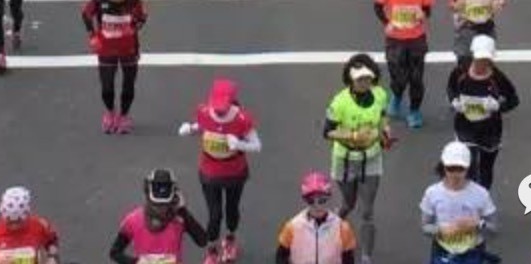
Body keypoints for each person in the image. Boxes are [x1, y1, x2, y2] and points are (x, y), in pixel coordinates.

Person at [177, 78, 262, 261]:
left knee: (232, 210)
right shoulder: (204, 112)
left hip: (234, 173)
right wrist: (190, 129)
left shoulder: (241, 119)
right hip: (210, 173)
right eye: (216, 107)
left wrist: (239, 144)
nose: (218, 111)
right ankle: (212, 249)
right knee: (214, 214)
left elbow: (256, 145)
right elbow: (202, 126)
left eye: (222, 108)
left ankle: (230, 239)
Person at [324, 54, 392, 264]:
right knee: (349, 203)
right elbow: (327, 132)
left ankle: (366, 257)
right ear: (351, 80)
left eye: (367, 78)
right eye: (360, 79)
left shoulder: (380, 94)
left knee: (367, 210)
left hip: (371, 158)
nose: (364, 82)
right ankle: (333, 224)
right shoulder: (340, 102)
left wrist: (385, 132)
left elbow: (382, 117)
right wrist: (353, 136)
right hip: (345, 159)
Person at [374, 0, 436, 130]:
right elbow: (378, 5)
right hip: (395, 38)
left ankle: (414, 110)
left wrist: (421, 15)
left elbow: (427, 8)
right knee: (398, 75)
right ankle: (397, 95)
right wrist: (388, 23)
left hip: (416, 37)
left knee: (416, 78)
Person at [446, 35, 520, 191]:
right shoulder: (460, 72)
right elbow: (451, 88)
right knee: (469, 166)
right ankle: (468, 201)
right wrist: (454, 101)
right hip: (465, 128)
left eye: (486, 59)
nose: (482, 63)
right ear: (473, 55)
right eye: (479, 59)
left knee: (486, 169)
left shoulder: (497, 78)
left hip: (490, 131)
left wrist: (498, 106)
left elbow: (514, 100)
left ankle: (482, 199)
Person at [83, 0, 148, 133]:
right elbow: (86, 14)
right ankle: (110, 113)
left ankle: (124, 116)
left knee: (128, 85)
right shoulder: (99, 1)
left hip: (129, 50)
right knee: (107, 86)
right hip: (106, 50)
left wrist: (132, 27)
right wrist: (93, 36)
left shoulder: (134, 1)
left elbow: (143, 17)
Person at [419, 140, 498, 264]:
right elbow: (425, 227)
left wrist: (477, 224)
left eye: (460, 169)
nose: (455, 174)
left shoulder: (481, 194)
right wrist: (441, 230)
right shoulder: (432, 193)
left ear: (468, 168)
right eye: (451, 169)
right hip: (443, 251)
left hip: (472, 252)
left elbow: (493, 230)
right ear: (443, 167)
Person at [109, 170, 208, 264]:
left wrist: (183, 211)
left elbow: (203, 241)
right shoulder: (133, 220)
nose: (161, 209)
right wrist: (136, 262)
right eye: (158, 205)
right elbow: (114, 252)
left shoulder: (180, 218)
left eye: (164, 205)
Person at [275, 172, 357, 264]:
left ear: (329, 199)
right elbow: (281, 256)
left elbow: (348, 258)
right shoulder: (292, 227)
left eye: (322, 201)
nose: (317, 205)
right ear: (305, 201)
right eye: (311, 201)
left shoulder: (342, 228)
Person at [0, 188, 59, 264]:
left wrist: (52, 257)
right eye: (9, 222)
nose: (14, 226)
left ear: (27, 215)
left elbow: (52, 240)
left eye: (18, 222)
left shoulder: (40, 226)